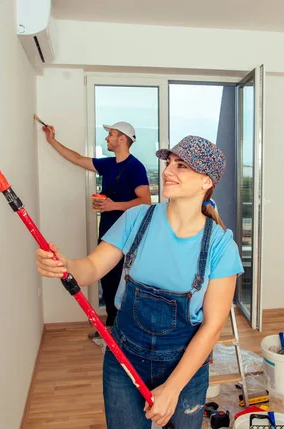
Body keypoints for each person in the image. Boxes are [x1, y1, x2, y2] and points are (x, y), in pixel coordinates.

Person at [35, 135, 244, 429]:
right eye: (169, 163)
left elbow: (212, 327)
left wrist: (172, 389)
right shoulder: (137, 219)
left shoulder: (220, 245)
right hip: (124, 358)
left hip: (185, 368)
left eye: (181, 166)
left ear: (206, 181)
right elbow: (92, 267)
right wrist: (65, 265)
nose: (168, 171)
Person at [42, 121, 151, 338]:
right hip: (109, 229)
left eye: (110, 134)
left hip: (128, 233)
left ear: (122, 139)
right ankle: (112, 326)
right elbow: (77, 158)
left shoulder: (135, 167)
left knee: (124, 279)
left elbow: (145, 201)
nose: (106, 138)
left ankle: (125, 330)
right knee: (108, 278)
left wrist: (113, 205)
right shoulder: (109, 164)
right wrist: (51, 140)